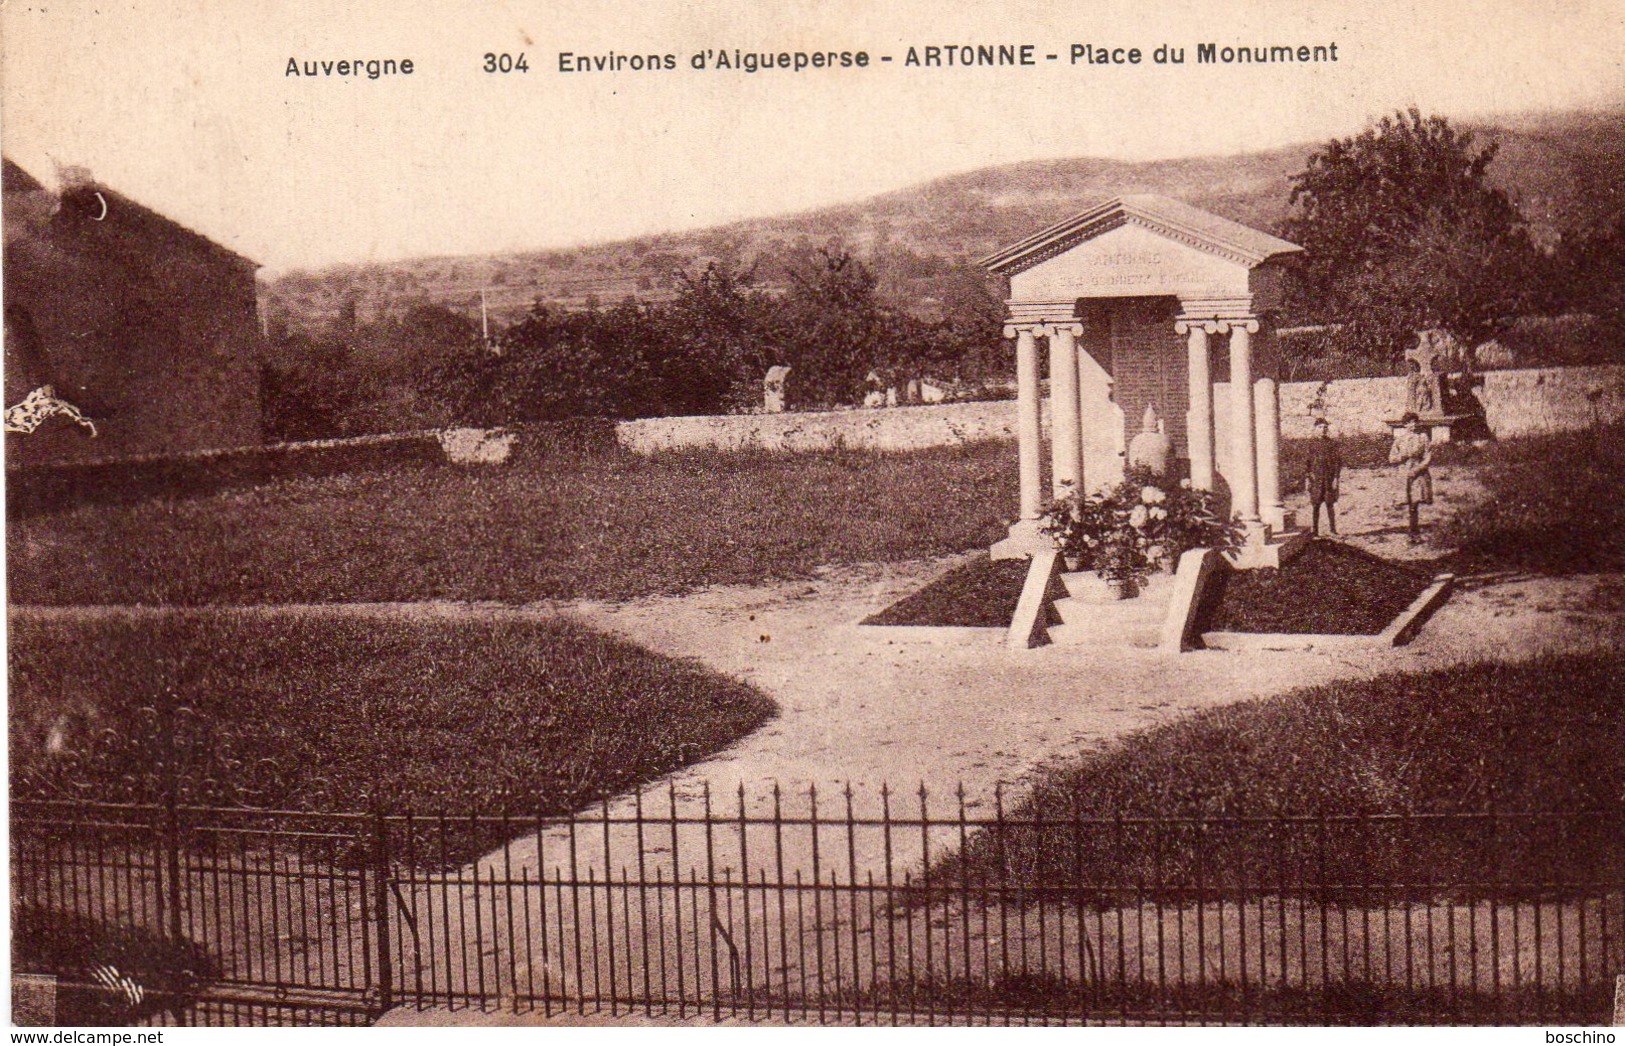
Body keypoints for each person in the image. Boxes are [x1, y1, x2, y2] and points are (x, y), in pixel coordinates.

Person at [1389, 412, 1433, 544]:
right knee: (1408, 503)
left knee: (1415, 503)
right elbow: (1391, 458)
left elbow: (1428, 457)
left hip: (1418, 473)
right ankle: (1411, 531)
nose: (1412, 425)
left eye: (1414, 422)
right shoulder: (1400, 440)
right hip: (1405, 473)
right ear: (1405, 425)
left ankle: (1414, 533)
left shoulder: (1423, 438)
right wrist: (1400, 458)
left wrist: (1418, 469)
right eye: (1409, 423)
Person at [1303, 417, 1342, 536]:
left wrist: (1335, 478)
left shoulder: (1332, 444)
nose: (1323, 430)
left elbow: (1337, 462)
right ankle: (1315, 531)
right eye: (1320, 427)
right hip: (1315, 479)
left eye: (1325, 427)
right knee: (1316, 505)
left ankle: (1333, 529)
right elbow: (1306, 463)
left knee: (1330, 504)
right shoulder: (1311, 444)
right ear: (1315, 429)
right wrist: (1307, 478)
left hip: (1329, 479)